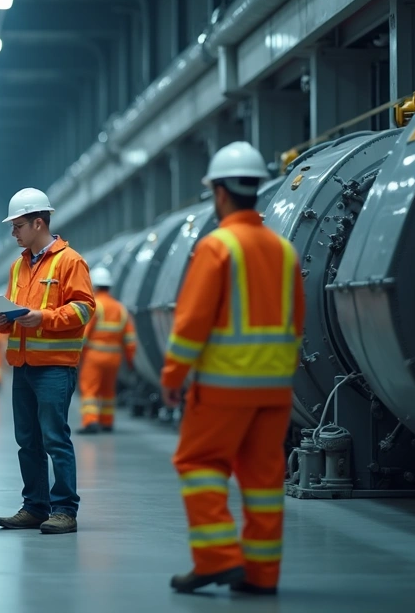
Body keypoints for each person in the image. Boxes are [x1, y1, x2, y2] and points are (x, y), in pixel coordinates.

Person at [161, 141, 303, 595]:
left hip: (224, 387)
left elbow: (192, 323)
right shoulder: (284, 250)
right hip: (276, 389)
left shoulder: (218, 247)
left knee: (199, 462)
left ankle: (217, 558)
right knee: (263, 480)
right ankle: (262, 574)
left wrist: (173, 376)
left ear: (219, 193)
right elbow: (298, 322)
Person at [0, 188, 94, 535]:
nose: (13, 233)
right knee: (28, 440)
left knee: (55, 438)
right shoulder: (18, 265)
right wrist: (3, 320)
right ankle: (35, 506)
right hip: (23, 364)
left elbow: (84, 308)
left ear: (38, 223)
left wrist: (45, 318)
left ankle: (64, 509)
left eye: (18, 226)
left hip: (54, 365)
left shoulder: (70, 261)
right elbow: (17, 310)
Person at [77, 266, 137, 434]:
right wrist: (131, 361)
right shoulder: (120, 309)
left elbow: (84, 335)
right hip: (114, 358)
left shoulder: (95, 306)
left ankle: (90, 422)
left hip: (94, 356)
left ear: (94, 286)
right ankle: (107, 422)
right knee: (108, 390)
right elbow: (130, 339)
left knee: (90, 389)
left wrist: (76, 355)